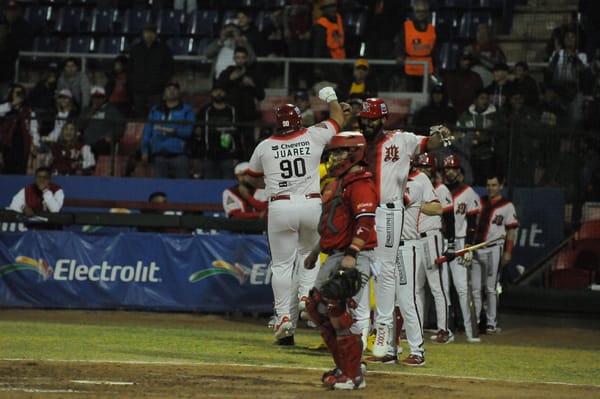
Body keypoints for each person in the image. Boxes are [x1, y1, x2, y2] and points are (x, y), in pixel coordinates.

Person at [245, 86, 344, 345]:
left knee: (281, 266)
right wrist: (330, 96)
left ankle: (283, 319)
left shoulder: (265, 146)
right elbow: (338, 119)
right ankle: (305, 298)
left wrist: (272, 183)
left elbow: (251, 178)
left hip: (280, 205)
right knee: (309, 257)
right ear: (299, 120)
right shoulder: (313, 135)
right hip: (311, 204)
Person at [357, 97, 453, 365]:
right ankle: (384, 343)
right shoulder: (358, 143)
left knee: (399, 288)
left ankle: (403, 345)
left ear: (383, 119)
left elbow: (431, 144)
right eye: (364, 118)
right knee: (375, 276)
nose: (367, 123)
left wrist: (441, 135)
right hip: (368, 213)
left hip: (393, 218)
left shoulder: (402, 142)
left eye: (372, 118)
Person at [301, 131, 375, 390]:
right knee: (316, 307)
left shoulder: (360, 182)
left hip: (352, 255)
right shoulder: (337, 182)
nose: (333, 158)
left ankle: (354, 375)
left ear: (354, 152)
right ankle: (343, 367)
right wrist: (314, 252)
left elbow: (365, 221)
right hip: (333, 253)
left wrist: (353, 253)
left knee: (337, 310)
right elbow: (332, 225)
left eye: (339, 152)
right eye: (332, 153)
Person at [413, 152, 456, 344]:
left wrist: (452, 244)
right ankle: (416, 327)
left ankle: (444, 330)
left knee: (437, 286)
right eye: (420, 167)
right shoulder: (413, 187)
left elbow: (449, 217)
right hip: (416, 240)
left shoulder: (440, 189)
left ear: (433, 170)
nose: (423, 170)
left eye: (426, 167)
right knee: (416, 287)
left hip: (432, 238)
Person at [472, 174, 518, 335]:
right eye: (488, 185)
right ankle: (475, 321)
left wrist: (508, 252)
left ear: (501, 186)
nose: (490, 188)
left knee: (491, 288)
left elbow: (511, 230)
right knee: (476, 289)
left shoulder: (507, 206)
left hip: (494, 249)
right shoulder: (480, 201)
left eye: (494, 185)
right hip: (478, 248)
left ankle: (491, 323)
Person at [441, 154, 481, 343]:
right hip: (440, 241)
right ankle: (446, 331)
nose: (450, 172)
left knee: (462, 288)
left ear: (459, 172)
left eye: (453, 169)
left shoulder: (468, 192)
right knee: (442, 289)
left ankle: (470, 331)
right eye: (447, 169)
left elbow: (472, 222)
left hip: (459, 242)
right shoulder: (438, 191)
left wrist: (469, 245)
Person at [217, 46, 265, 159]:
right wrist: (230, 79)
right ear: (234, 58)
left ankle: (248, 168)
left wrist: (252, 85)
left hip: (248, 114)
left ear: (247, 58)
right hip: (232, 114)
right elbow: (218, 89)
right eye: (238, 57)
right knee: (232, 143)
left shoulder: (253, 73)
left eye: (243, 57)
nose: (240, 60)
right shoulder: (228, 71)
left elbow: (261, 95)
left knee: (249, 145)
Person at [141, 80, 194, 179]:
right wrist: (144, 150)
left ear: (179, 92)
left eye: (174, 89)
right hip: (159, 155)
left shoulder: (187, 110)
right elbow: (147, 132)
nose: (171, 91)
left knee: (183, 187)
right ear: (164, 92)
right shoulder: (155, 110)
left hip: (180, 155)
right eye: (169, 89)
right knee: (160, 187)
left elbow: (189, 132)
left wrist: (174, 131)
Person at [127, 21, 174, 117]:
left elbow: (169, 68)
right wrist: (134, 83)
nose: (149, 35)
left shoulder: (164, 49)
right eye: (147, 32)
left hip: (157, 90)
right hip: (139, 90)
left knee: (156, 116)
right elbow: (129, 69)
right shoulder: (135, 49)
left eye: (152, 32)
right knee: (139, 117)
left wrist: (160, 83)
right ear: (143, 33)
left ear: (156, 34)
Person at [192, 82, 237, 179]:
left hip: (228, 155)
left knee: (228, 185)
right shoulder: (205, 111)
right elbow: (198, 131)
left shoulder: (232, 110)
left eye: (221, 91)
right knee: (209, 185)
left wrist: (236, 155)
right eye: (216, 91)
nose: (218, 93)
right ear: (212, 93)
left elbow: (237, 133)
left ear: (225, 93)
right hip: (209, 154)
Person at [455, 88, 499, 186]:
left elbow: (495, 135)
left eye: (487, 98)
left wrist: (485, 138)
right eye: (482, 98)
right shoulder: (465, 116)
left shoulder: (494, 116)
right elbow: (458, 136)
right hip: (469, 158)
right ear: (475, 100)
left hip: (487, 157)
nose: (485, 101)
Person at [394, 0, 437, 91]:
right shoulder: (406, 26)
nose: (421, 14)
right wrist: (399, 55)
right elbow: (400, 43)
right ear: (414, 12)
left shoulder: (432, 29)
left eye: (423, 11)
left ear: (427, 13)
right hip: (410, 68)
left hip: (426, 70)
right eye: (418, 11)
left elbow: (434, 49)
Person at [0, 83, 40, 175]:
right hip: (7, 145)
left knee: (21, 171)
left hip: (22, 144)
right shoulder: (6, 107)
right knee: (7, 171)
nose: (19, 95)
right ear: (11, 94)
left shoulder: (28, 111)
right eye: (16, 93)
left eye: (21, 93)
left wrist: (35, 143)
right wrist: (12, 105)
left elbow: (34, 129)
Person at [78, 86, 125, 157]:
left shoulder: (112, 111)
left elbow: (121, 127)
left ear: (104, 98)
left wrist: (109, 136)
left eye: (99, 97)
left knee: (101, 146)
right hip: (85, 143)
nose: (96, 100)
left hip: (102, 144)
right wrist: (91, 112)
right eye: (94, 97)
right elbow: (79, 126)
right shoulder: (86, 110)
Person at [311, 0, 346, 85]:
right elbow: (318, 47)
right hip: (328, 59)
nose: (334, 9)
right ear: (324, 10)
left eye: (334, 7)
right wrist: (317, 66)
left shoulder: (338, 19)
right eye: (330, 7)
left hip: (341, 58)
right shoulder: (321, 25)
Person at [442, 51, 484, 116]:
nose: (467, 62)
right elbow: (444, 95)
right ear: (458, 60)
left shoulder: (475, 77)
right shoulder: (449, 76)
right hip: (451, 113)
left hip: (471, 113)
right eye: (464, 59)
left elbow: (481, 96)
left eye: (468, 59)